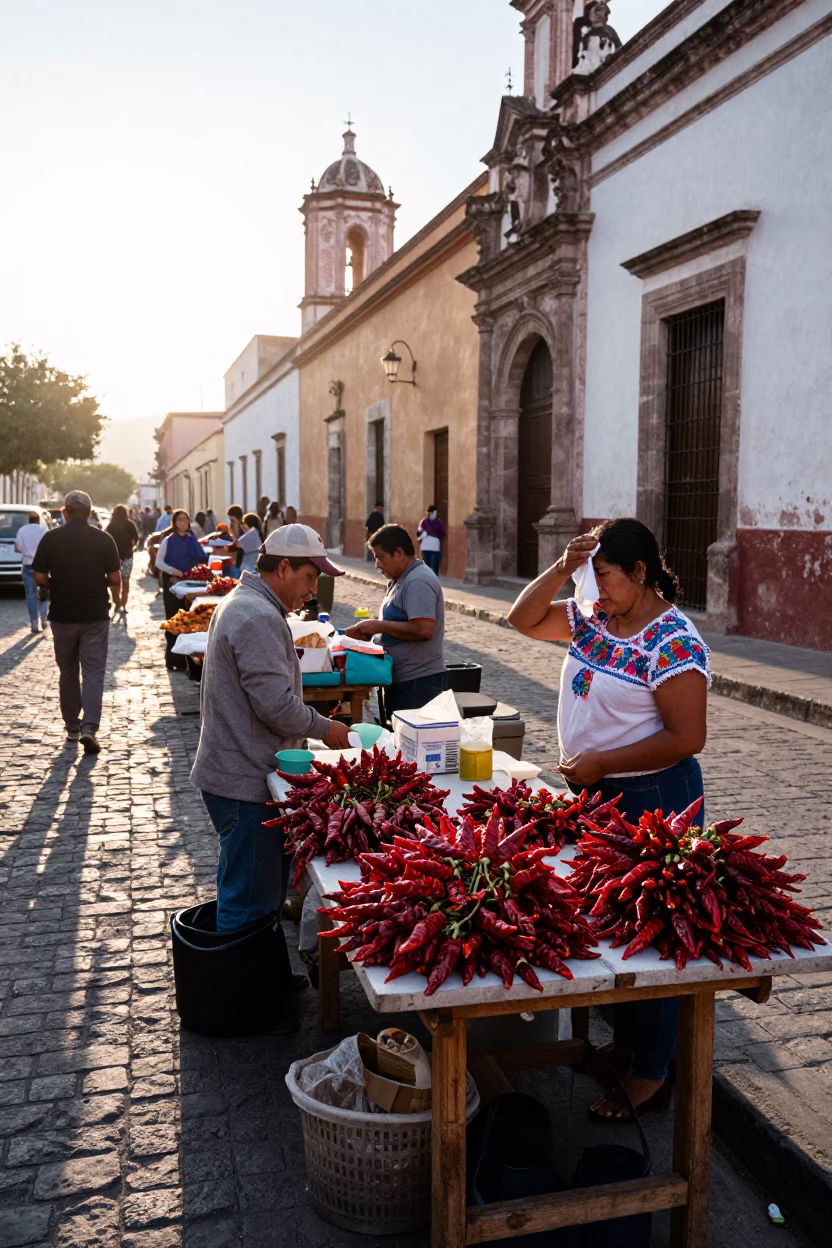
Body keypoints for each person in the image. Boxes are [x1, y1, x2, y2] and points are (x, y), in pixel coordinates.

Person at [507, 517, 710, 1123]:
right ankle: (626, 1043)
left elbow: (687, 737)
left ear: (640, 573)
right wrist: (566, 568)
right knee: (617, 932)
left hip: (655, 803)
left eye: (606, 575)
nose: (596, 587)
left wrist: (602, 763)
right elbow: (521, 618)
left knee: (655, 936)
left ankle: (652, 1072)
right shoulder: (594, 616)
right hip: (599, 799)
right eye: (591, 575)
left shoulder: (673, 640)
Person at [190, 523, 351, 952]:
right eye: (309, 577)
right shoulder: (256, 616)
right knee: (248, 904)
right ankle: (240, 1003)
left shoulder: (252, 606)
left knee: (262, 896)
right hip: (244, 782)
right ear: (282, 567)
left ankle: (262, 980)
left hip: (251, 774)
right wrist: (327, 729)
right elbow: (276, 706)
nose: (312, 589)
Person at [32, 490, 121, 754]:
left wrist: (55, 584)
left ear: (65, 512)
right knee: (94, 673)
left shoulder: (51, 538)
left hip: (62, 615)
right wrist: (99, 583)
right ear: (91, 514)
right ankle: (89, 729)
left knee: (68, 673)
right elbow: (115, 579)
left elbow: (38, 577)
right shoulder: (103, 539)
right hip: (95, 614)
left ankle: (72, 726)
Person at [345, 523, 445, 726]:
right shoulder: (400, 579)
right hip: (402, 682)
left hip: (417, 684)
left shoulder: (418, 581)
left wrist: (379, 626)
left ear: (399, 553)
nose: (377, 565)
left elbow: (423, 629)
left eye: (380, 557)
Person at [155, 509, 208, 620]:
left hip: (190, 582)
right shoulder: (168, 540)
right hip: (172, 582)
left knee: (189, 616)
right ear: (175, 522)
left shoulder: (192, 539)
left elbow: (201, 558)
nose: (183, 522)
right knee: (174, 616)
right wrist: (173, 571)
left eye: (185, 519)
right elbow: (158, 562)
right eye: (180, 519)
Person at [16, 511, 50, 634]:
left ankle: (34, 624)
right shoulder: (43, 529)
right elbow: (49, 546)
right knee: (43, 595)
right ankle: (44, 620)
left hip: (27, 565)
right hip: (42, 566)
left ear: (28, 520)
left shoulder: (22, 530)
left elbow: (17, 548)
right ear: (38, 519)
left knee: (30, 596)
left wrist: (27, 550)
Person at [105, 505, 139, 621]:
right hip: (127, 557)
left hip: (113, 558)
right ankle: (123, 605)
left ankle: (117, 603)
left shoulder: (110, 526)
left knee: (114, 584)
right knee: (125, 582)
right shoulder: (130, 525)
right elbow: (136, 539)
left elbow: (106, 541)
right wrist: (131, 547)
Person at [416, 505, 446, 576]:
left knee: (434, 568)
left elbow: (443, 533)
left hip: (435, 548)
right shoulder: (423, 522)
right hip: (425, 547)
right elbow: (418, 532)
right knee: (426, 567)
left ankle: (433, 582)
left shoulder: (439, 523)